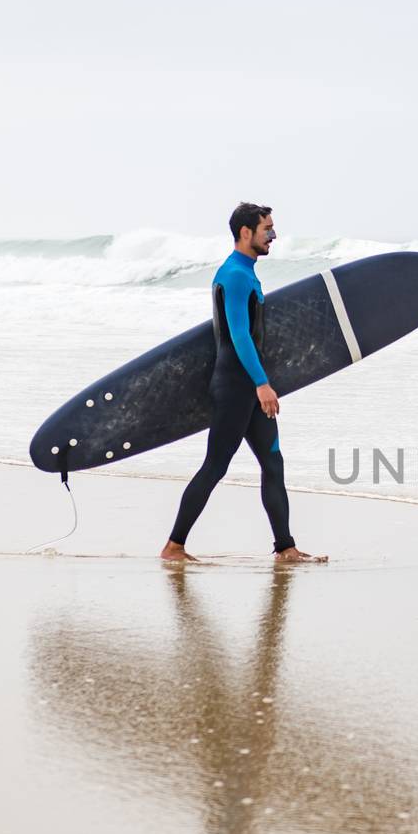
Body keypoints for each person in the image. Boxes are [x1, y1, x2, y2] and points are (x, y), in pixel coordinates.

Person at [161, 203, 327, 564]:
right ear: (246, 232)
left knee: (273, 464)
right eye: (267, 228)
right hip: (237, 387)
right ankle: (174, 546)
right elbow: (239, 335)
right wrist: (262, 383)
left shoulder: (245, 272)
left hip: (248, 388)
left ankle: (285, 547)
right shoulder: (235, 275)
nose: (274, 234)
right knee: (216, 465)